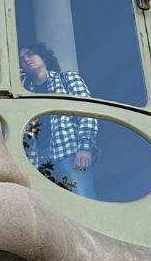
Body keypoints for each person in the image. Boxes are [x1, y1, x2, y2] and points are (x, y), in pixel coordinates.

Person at [19, 43, 98, 198]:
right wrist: (21, 90)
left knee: (82, 199)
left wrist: (85, 147)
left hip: (70, 152)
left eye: (30, 54)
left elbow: (88, 111)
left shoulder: (66, 79)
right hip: (40, 159)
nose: (26, 60)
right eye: (22, 60)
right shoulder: (29, 93)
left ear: (43, 56)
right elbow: (22, 130)